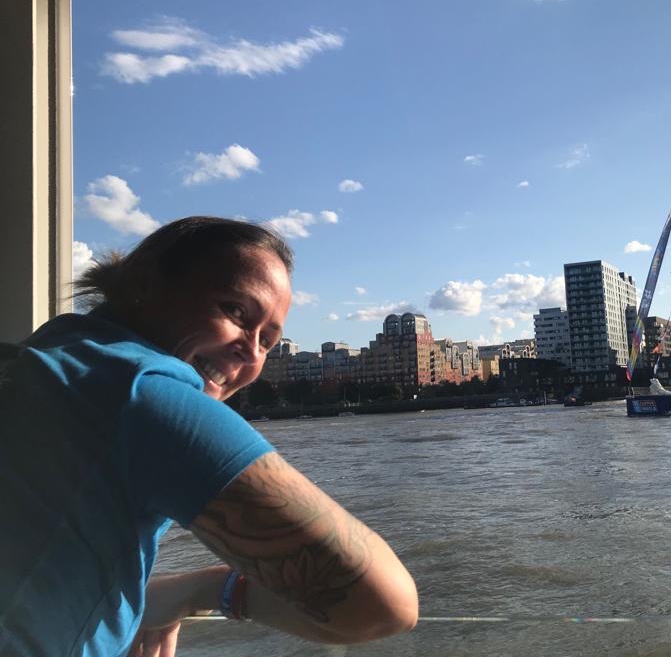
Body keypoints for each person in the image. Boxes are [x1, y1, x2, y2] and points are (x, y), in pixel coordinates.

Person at [0, 217, 418, 656]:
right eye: (236, 312)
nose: (250, 353)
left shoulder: (35, 363)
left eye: (268, 341)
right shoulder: (142, 393)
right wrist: (222, 591)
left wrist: (172, 593)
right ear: (145, 283)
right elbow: (385, 606)